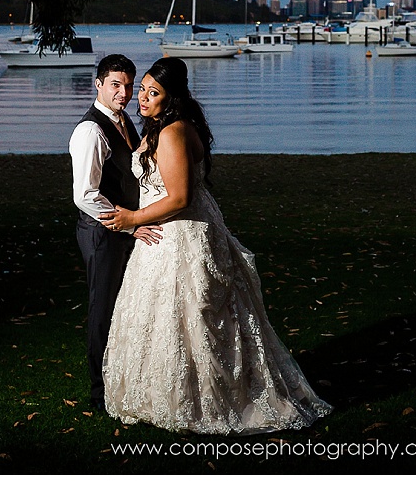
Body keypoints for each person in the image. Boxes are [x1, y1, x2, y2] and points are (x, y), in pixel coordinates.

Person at [99, 57, 331, 434]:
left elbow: (179, 197)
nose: (141, 97)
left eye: (152, 93)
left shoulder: (173, 132)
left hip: (178, 232)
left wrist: (131, 220)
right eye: (141, 89)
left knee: (191, 313)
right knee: (173, 315)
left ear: (170, 97)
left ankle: (202, 397)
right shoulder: (170, 126)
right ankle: (171, 390)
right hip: (180, 229)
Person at [67, 54, 161, 411]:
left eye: (128, 85)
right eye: (115, 85)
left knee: (123, 308)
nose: (123, 93)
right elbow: (85, 194)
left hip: (122, 229)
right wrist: (130, 222)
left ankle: (122, 379)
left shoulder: (122, 121)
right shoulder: (90, 130)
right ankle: (98, 394)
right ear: (99, 85)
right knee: (102, 309)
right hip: (101, 232)